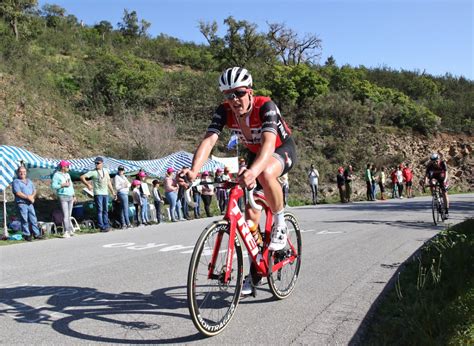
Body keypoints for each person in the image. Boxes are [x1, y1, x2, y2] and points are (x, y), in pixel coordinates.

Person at [181, 67, 297, 295]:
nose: (234, 99)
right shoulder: (224, 111)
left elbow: (267, 144)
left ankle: (280, 224)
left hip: (280, 149)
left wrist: (253, 171)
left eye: (239, 93)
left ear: (250, 92)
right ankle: (255, 273)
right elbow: (209, 141)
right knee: (250, 221)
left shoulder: (266, 106)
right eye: (228, 95)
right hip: (256, 154)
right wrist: (194, 170)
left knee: (264, 173)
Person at [80, 156, 116, 232]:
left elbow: (108, 182)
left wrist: (112, 191)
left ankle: (106, 225)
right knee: (100, 210)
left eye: (98, 163)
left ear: (102, 163)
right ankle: (101, 226)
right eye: (95, 163)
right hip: (98, 194)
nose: (96, 164)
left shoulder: (105, 171)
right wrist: (88, 184)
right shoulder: (93, 172)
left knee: (105, 210)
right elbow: (82, 177)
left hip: (105, 193)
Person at [12, 166, 43, 241]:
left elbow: (34, 190)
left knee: (33, 219)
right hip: (22, 203)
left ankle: (37, 234)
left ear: (26, 172)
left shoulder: (29, 181)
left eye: (24, 171)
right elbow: (18, 193)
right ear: (18, 173)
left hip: (30, 203)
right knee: (24, 220)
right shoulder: (16, 181)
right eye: (21, 172)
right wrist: (27, 197)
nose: (22, 173)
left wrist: (32, 197)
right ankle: (27, 235)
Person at [51, 160, 76, 238]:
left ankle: (70, 230)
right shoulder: (56, 175)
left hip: (70, 196)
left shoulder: (68, 174)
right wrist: (62, 185)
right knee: (65, 215)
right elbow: (53, 186)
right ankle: (66, 232)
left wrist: (74, 195)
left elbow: (71, 185)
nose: (69, 168)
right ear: (63, 167)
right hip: (63, 196)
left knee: (69, 215)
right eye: (67, 166)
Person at [425, 153, 450, 217]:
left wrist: (444, 181)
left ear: (438, 159)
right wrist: (426, 182)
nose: (435, 163)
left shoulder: (443, 163)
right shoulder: (430, 165)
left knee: (444, 193)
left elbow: (446, 173)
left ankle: (446, 210)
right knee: (431, 183)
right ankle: (436, 199)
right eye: (433, 161)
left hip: (443, 178)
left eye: (436, 161)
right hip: (434, 177)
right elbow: (427, 176)